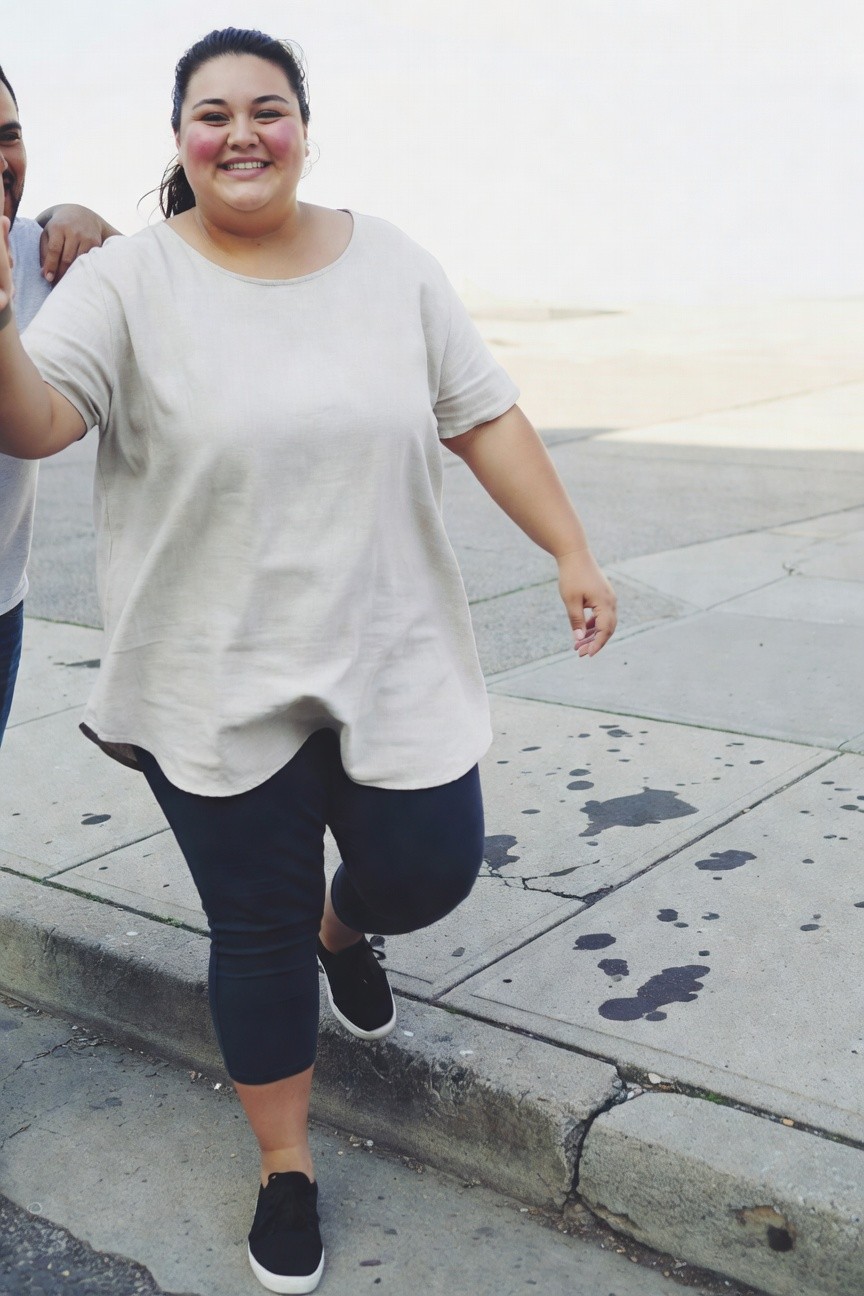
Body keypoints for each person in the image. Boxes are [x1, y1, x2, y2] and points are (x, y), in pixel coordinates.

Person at [0, 27, 616, 1294]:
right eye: (212, 113)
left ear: (302, 129)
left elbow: (483, 413)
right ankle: (287, 1164)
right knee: (255, 930)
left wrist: (570, 548)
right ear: (180, 139)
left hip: (390, 650)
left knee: (430, 865)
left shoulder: (389, 261)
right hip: (208, 673)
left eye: (266, 109)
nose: (241, 133)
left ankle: (350, 928)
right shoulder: (128, 283)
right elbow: (39, 421)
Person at [0, 61, 119, 744]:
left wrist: (91, 224)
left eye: (9, 135)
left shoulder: (41, 259)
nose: (2, 161)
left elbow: (162, 305)